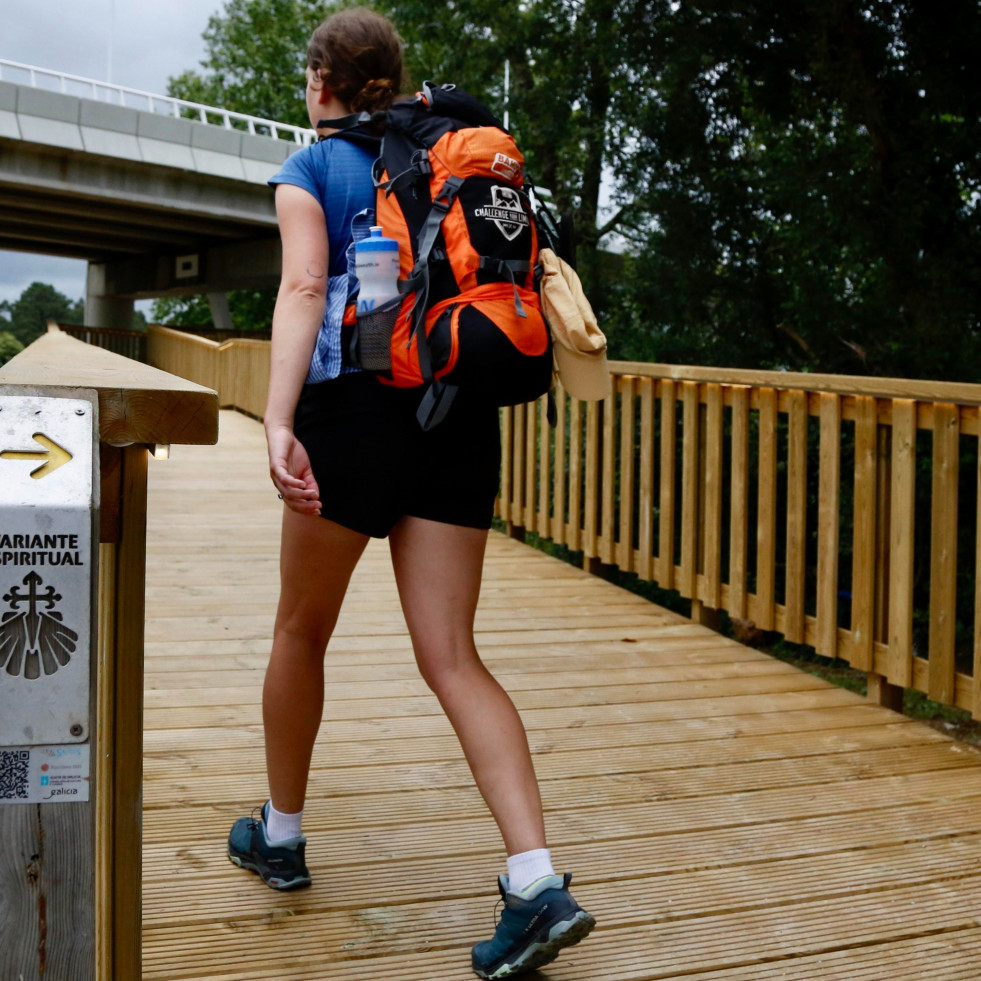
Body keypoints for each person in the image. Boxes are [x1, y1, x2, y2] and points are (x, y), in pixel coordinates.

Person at [225, 8, 595, 978]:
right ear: (394, 79)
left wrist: (274, 420)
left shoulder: (312, 170)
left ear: (319, 84)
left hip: (350, 419)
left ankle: (283, 833)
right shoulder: (447, 157)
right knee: (455, 657)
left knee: (300, 631)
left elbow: (305, 290)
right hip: (457, 416)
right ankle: (534, 880)